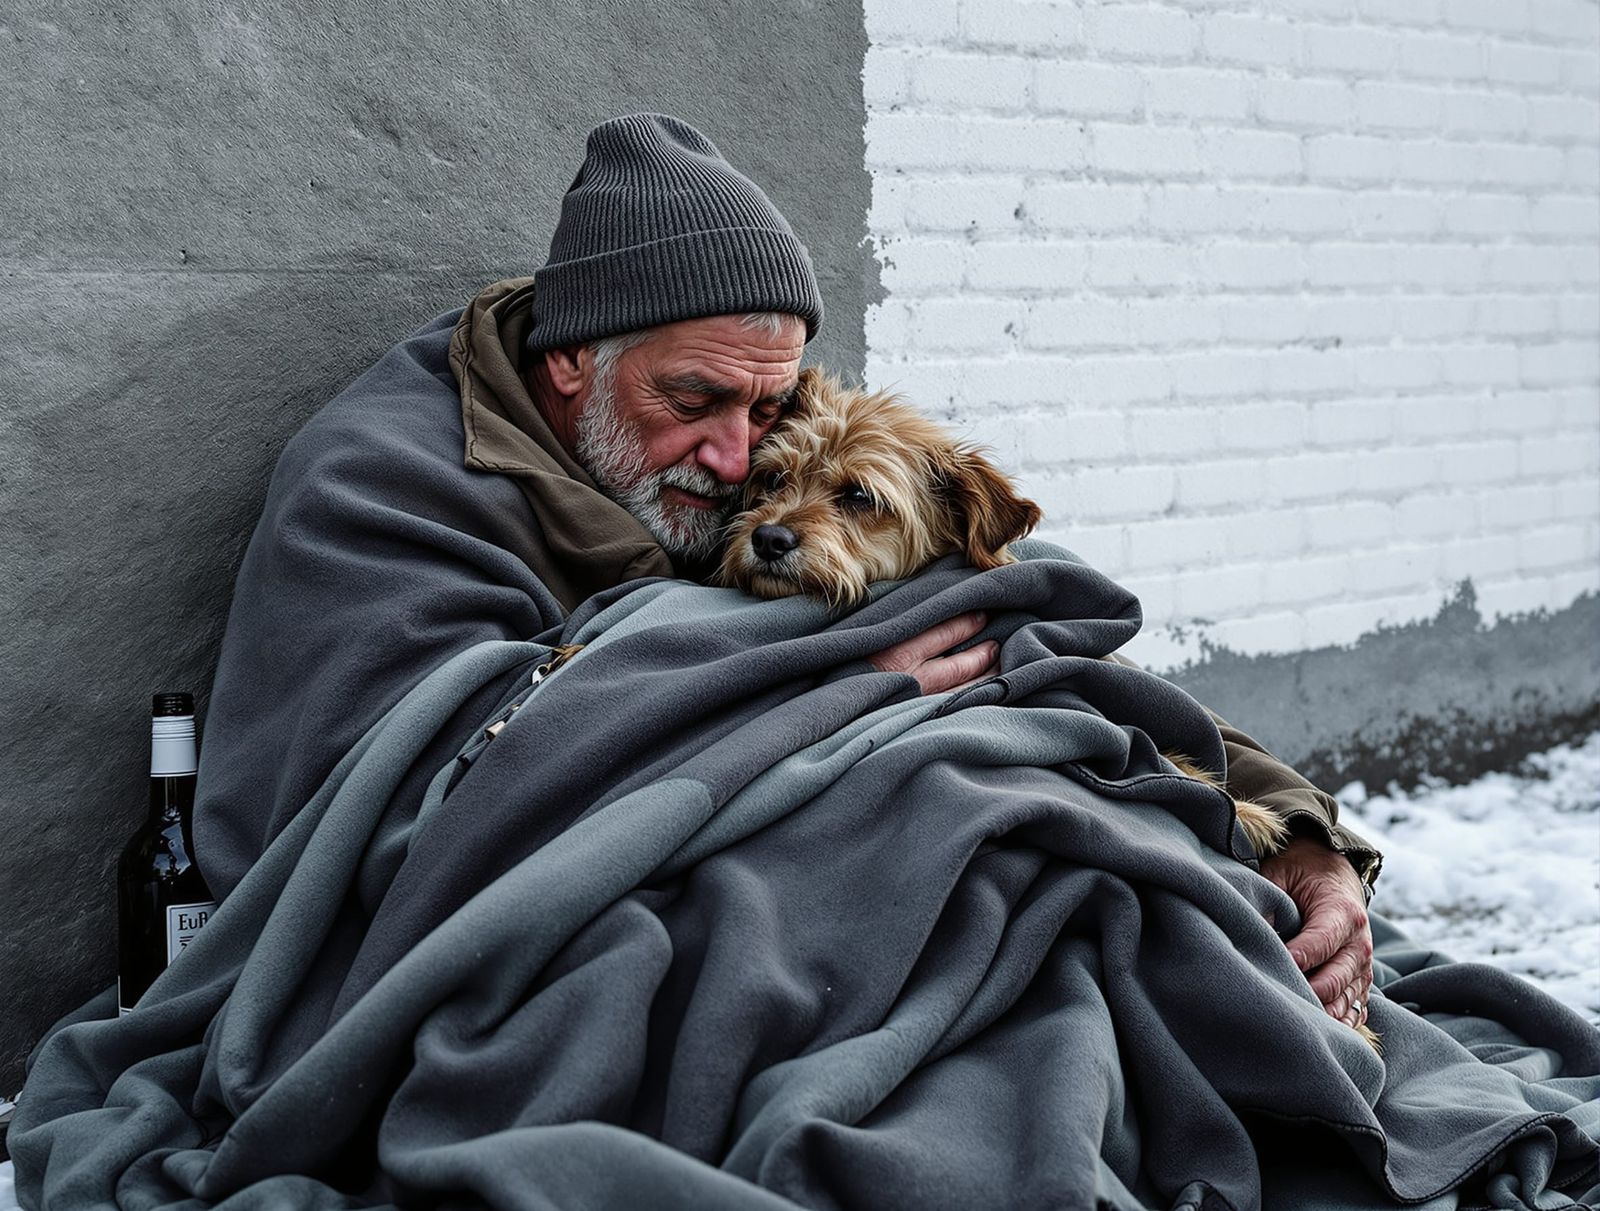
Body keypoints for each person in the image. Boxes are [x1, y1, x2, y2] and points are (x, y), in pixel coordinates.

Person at [194, 111, 1381, 1035]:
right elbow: (408, 811)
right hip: (556, 937)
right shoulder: (382, 487)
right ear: (570, 364)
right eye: (694, 401)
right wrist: (826, 687)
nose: (736, 462)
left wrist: (1295, 827)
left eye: (763, 410)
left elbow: (1011, 609)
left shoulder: (748, 430)